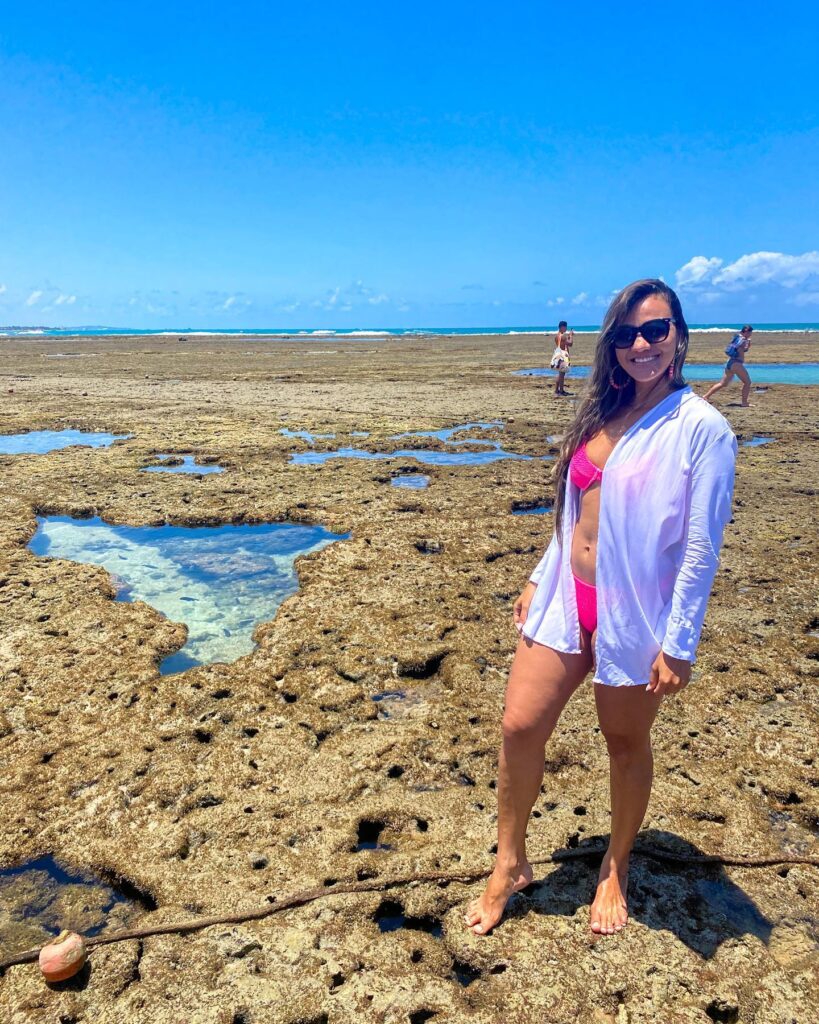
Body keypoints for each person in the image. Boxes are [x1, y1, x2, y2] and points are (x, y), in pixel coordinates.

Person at [464, 279, 736, 938]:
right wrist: (536, 575)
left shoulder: (701, 429)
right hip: (564, 597)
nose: (640, 344)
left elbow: (699, 552)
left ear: (677, 335)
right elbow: (572, 515)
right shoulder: (600, 411)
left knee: (622, 743)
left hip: (635, 618)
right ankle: (509, 863)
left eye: (655, 330)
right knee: (519, 727)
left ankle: (614, 867)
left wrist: (679, 644)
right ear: (610, 343)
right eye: (625, 334)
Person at [702, 325, 754, 407]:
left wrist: (748, 343)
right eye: (750, 332)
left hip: (730, 363)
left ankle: (705, 396)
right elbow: (742, 350)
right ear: (747, 332)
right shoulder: (742, 340)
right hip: (737, 364)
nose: (751, 334)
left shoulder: (736, 337)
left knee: (723, 383)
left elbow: (739, 349)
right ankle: (744, 402)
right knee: (747, 382)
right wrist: (746, 342)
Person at [550, 321, 573, 395]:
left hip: (559, 355)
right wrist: (571, 336)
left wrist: (568, 336)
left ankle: (557, 390)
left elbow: (564, 344)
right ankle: (561, 390)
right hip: (563, 356)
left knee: (560, 373)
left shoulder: (557, 336)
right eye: (565, 327)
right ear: (562, 327)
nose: (566, 328)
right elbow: (570, 344)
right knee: (562, 373)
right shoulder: (563, 336)